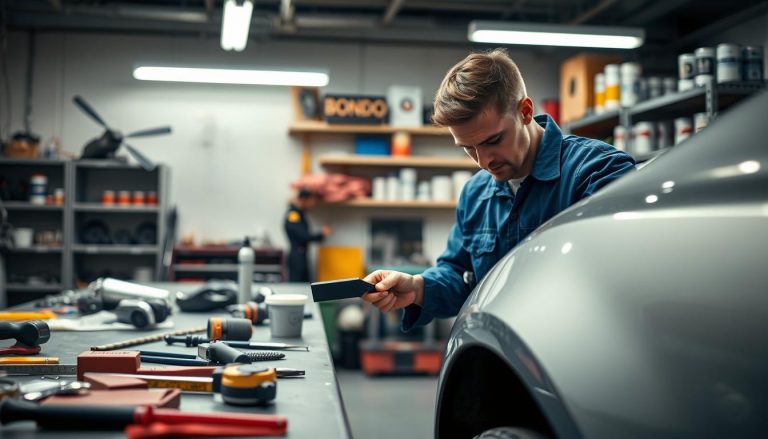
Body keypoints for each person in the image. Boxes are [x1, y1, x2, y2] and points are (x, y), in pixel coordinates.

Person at [362, 49, 636, 330]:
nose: (483, 161)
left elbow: (613, 277)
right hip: (498, 353)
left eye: (493, 140)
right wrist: (418, 287)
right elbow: (459, 273)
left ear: (525, 111)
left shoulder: (597, 172)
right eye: (468, 148)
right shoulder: (475, 193)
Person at [284, 188, 331, 282]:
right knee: (297, 287)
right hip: (297, 258)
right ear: (303, 199)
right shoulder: (293, 215)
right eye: (311, 201)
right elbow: (303, 236)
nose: (312, 205)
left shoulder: (300, 214)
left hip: (301, 256)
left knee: (304, 285)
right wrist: (321, 234)